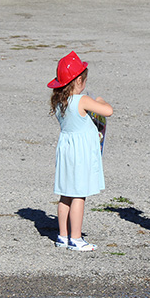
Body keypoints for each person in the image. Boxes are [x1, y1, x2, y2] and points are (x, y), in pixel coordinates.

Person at [48, 51, 112, 252]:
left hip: (66, 149)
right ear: (78, 81)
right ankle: (76, 238)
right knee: (79, 194)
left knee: (65, 193)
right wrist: (100, 100)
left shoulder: (60, 101)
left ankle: (62, 235)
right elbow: (108, 111)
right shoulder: (82, 100)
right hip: (81, 152)